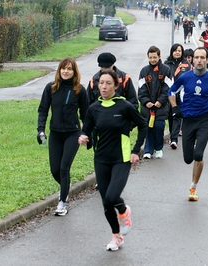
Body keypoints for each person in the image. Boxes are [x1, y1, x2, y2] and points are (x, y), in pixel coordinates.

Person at [78, 70, 147, 251]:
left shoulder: (124, 106)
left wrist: (135, 150)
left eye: (108, 83)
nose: (104, 87)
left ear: (116, 86)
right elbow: (87, 129)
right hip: (101, 159)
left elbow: (142, 125)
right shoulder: (94, 108)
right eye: (101, 83)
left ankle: (124, 211)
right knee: (106, 203)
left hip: (121, 158)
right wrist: (83, 137)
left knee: (111, 197)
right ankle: (117, 236)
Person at [168, 47, 208, 201]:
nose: (199, 60)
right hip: (188, 120)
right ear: (192, 59)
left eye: (202, 57)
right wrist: (175, 107)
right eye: (197, 57)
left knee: (199, 154)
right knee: (188, 158)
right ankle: (192, 156)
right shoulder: (184, 77)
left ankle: (193, 188)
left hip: (203, 120)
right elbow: (171, 92)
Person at [37, 57, 89, 216]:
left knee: (64, 167)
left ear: (74, 71)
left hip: (72, 134)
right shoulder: (51, 88)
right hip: (55, 134)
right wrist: (41, 130)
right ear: (59, 70)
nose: (66, 71)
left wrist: (85, 133)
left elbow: (86, 115)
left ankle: (62, 203)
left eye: (69, 69)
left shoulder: (79, 89)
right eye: (63, 68)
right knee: (55, 169)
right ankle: (65, 186)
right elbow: (43, 110)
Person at [87, 52, 138, 150]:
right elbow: (88, 105)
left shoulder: (124, 78)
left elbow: (133, 103)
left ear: (113, 65)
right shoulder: (94, 80)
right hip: (99, 127)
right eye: (103, 67)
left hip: (119, 127)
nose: (105, 70)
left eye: (108, 67)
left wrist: (128, 125)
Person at [138, 45, 173, 159]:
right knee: (148, 127)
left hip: (161, 106)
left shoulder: (166, 70)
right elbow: (141, 89)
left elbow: (168, 88)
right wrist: (146, 101)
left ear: (159, 56)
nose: (153, 60)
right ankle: (148, 150)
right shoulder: (144, 71)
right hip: (147, 107)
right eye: (150, 57)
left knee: (159, 126)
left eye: (155, 57)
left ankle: (158, 148)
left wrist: (160, 101)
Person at [164, 43, 192, 150]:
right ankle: (172, 134)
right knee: (171, 116)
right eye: (175, 50)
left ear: (182, 52)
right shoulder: (166, 64)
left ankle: (174, 139)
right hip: (169, 94)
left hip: (181, 95)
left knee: (177, 115)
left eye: (179, 51)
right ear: (172, 52)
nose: (177, 52)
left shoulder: (187, 65)